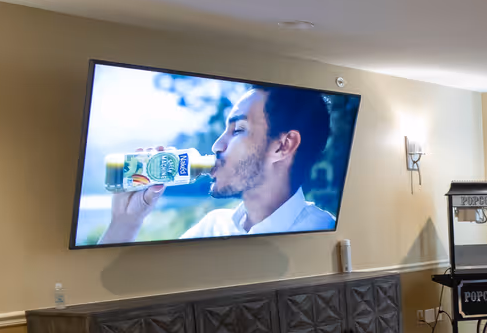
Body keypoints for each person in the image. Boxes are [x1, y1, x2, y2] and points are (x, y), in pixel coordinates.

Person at [103, 85, 338, 242]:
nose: (216, 145)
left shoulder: (323, 233)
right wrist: (125, 222)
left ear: (283, 146)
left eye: (238, 130)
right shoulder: (213, 227)